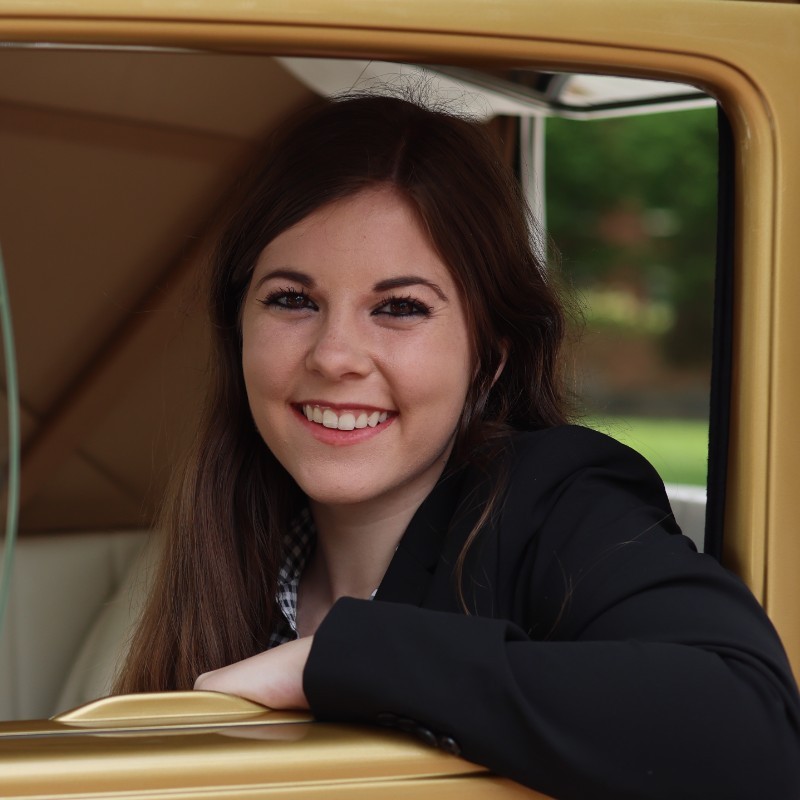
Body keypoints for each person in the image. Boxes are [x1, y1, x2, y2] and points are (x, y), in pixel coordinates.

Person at [115, 92, 800, 799]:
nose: (335, 356)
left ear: (491, 355)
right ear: (238, 329)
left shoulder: (559, 500)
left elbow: (754, 735)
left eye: (400, 308)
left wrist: (340, 662)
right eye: (293, 300)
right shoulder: (228, 542)